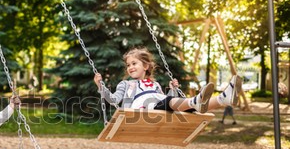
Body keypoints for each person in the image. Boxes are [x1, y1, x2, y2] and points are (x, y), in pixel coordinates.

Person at [94, 47, 242, 114]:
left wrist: (172, 89)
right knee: (172, 102)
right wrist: (101, 86)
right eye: (128, 65)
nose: (130, 67)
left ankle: (224, 98)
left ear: (145, 66)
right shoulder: (126, 84)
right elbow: (113, 100)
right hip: (140, 110)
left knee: (189, 109)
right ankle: (195, 101)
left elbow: (167, 103)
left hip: (157, 106)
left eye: (134, 63)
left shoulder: (155, 84)